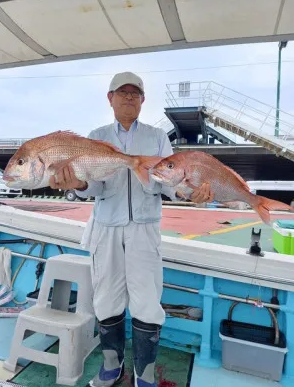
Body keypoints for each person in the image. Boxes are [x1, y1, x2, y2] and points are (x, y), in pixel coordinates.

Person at [49, 72, 214, 387]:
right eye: (121, 92)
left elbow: (169, 182)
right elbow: (92, 186)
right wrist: (79, 183)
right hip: (106, 228)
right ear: (109, 98)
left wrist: (189, 193)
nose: (128, 97)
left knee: (147, 301)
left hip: (144, 229)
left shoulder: (156, 138)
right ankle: (112, 365)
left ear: (142, 100)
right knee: (107, 299)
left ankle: (145, 373)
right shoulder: (95, 137)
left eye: (135, 93)